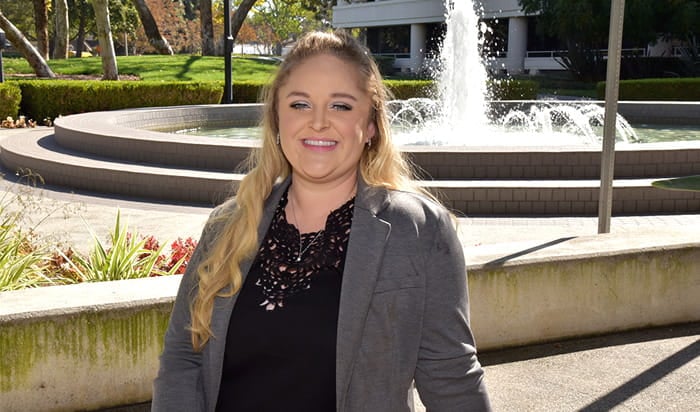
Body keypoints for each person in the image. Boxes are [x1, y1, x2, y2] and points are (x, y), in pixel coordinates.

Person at [152, 30, 491, 411]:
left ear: (371, 126)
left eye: (341, 107)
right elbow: (184, 357)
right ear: (277, 119)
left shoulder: (417, 230)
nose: (317, 123)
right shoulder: (227, 226)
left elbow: (451, 375)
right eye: (300, 104)